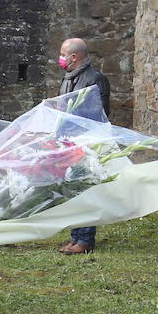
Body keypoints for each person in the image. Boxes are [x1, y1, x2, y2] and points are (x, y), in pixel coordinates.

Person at [56, 37, 112, 255]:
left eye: (62, 54)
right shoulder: (68, 77)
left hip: (86, 143)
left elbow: (100, 114)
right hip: (67, 143)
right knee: (72, 190)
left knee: (85, 190)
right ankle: (76, 236)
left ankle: (86, 239)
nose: (60, 59)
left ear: (74, 56)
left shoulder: (95, 79)